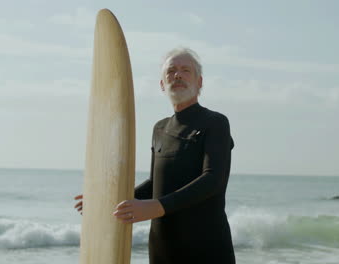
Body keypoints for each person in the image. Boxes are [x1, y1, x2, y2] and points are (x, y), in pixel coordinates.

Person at [75, 47, 236, 264]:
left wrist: (156, 207)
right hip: (163, 249)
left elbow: (213, 180)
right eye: (170, 71)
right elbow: (154, 183)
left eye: (185, 70)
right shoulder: (160, 128)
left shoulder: (215, 123)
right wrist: (105, 203)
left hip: (206, 247)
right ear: (162, 84)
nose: (177, 75)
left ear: (199, 82)